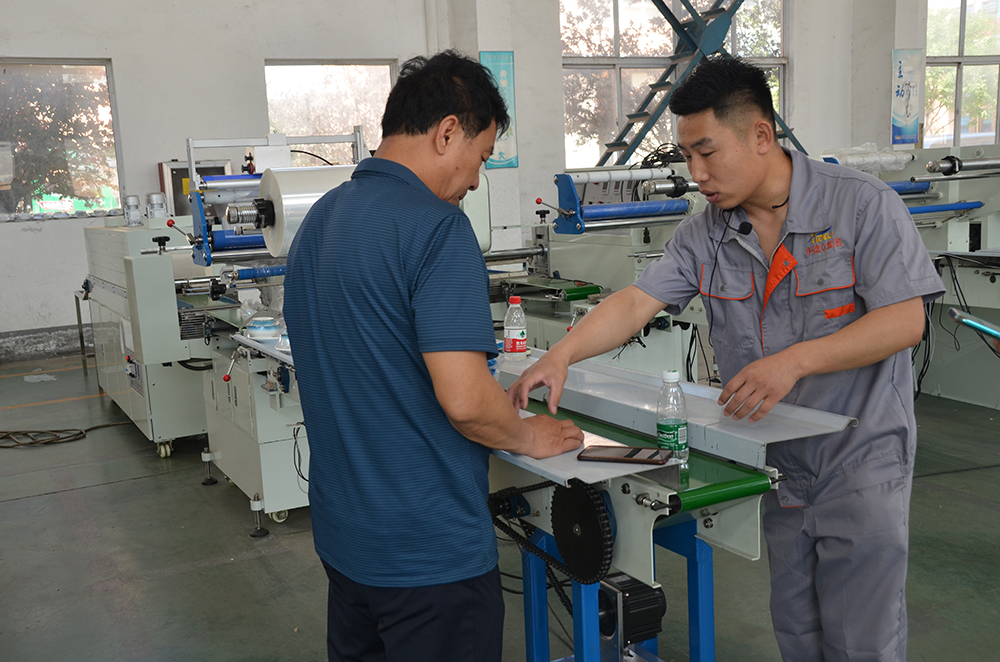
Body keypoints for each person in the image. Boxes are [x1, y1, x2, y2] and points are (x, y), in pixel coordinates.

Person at [509, 55, 944, 662]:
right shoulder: (706, 233)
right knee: (798, 632)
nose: (696, 174)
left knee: (861, 641)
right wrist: (561, 355)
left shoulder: (861, 206)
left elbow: (904, 320)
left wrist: (794, 362)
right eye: (687, 156)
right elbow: (636, 301)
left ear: (760, 135)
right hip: (777, 465)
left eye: (707, 152)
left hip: (859, 461)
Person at [283, 51, 583, 662]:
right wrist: (527, 436)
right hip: (428, 554)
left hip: (345, 539)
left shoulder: (319, 221)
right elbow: (467, 402)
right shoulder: (438, 229)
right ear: (448, 132)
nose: (475, 180)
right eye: (482, 157)